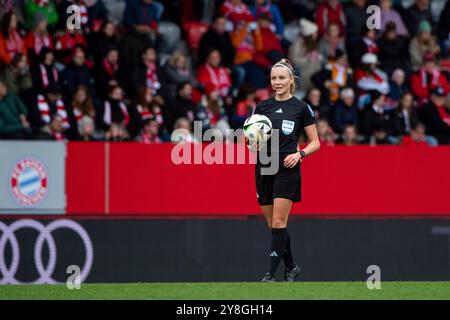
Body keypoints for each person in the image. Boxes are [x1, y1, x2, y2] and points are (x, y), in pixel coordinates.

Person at [249, 58, 320, 282]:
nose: (276, 82)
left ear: (291, 80)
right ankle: (291, 266)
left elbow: (315, 142)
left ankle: (270, 274)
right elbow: (254, 138)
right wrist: (253, 143)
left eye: (281, 78)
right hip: (264, 165)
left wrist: (299, 154)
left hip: (287, 168)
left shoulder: (301, 108)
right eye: (273, 78)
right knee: (272, 224)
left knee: (280, 222)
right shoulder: (262, 107)